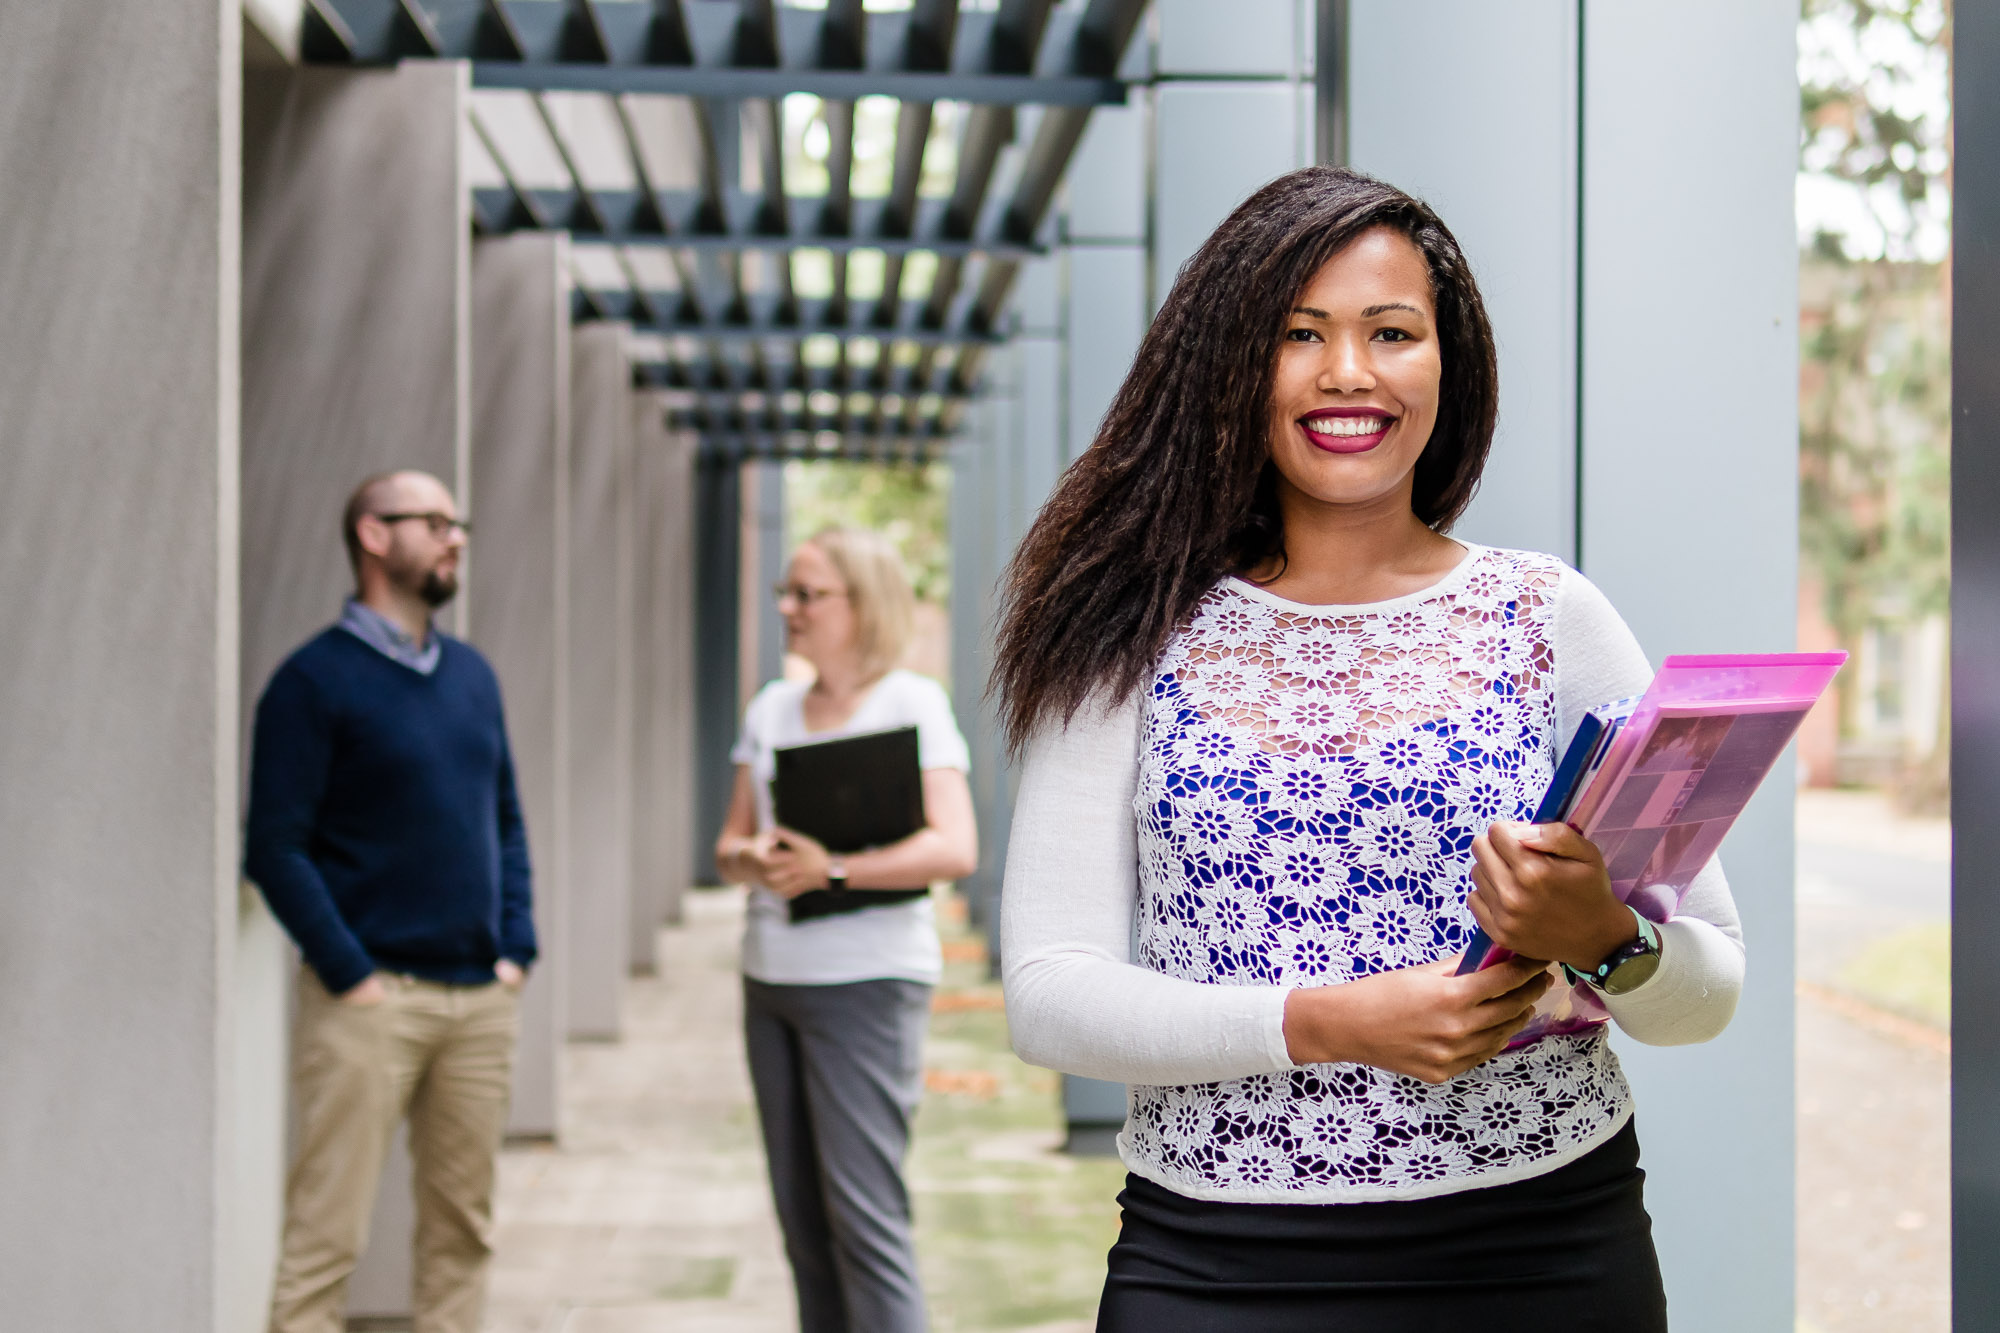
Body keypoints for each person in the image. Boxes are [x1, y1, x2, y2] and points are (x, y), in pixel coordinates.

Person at [993, 166, 1745, 1331]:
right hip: (1213, 1263)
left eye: (1390, 331)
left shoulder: (1549, 615)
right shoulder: (1124, 627)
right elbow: (1048, 998)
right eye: (1299, 334)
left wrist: (1599, 937)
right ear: (1231, 367)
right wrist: (1329, 1021)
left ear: (1446, 362)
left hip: (1540, 1250)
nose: (1348, 371)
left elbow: (1704, 991)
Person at [245, 469, 535, 1333]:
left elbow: (507, 820)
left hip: (479, 999)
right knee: (325, 1234)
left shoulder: (473, 675)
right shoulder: (311, 683)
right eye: (435, 521)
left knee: (463, 1233)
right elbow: (275, 846)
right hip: (367, 1002)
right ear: (374, 535)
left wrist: (516, 947)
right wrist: (349, 971)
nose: (457, 538)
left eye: (460, 523)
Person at [715, 526, 979, 1333]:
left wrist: (832, 870)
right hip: (772, 980)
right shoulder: (770, 709)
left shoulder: (913, 702)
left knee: (864, 1222)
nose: (789, 608)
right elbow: (727, 848)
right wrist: (759, 858)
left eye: (807, 593)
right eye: (784, 593)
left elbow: (954, 845)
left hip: (867, 982)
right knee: (802, 1223)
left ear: (862, 604)